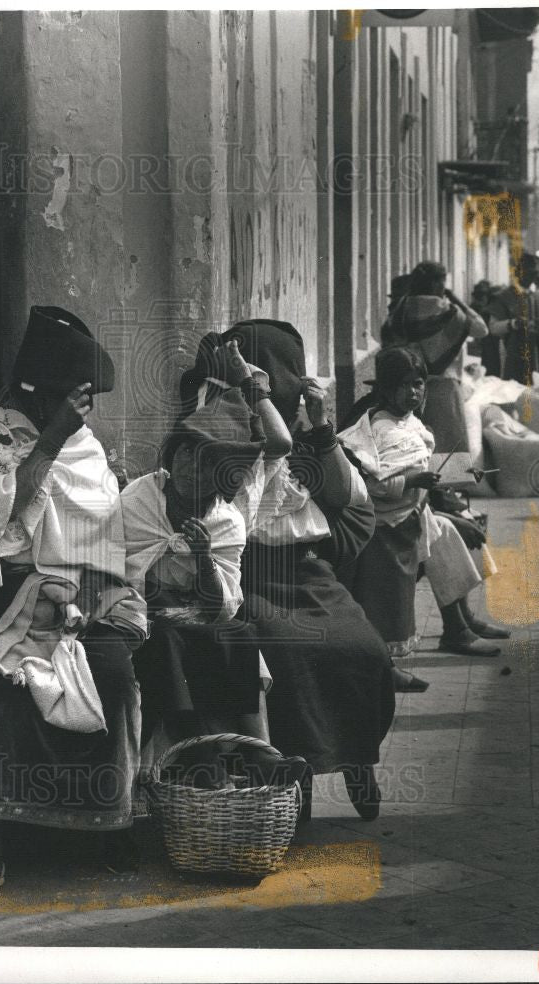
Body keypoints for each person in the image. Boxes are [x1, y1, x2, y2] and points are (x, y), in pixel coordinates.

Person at [0, 306, 148, 905]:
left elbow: (101, 533)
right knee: (10, 684)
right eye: (68, 398)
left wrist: (89, 597)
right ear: (35, 390)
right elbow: (2, 530)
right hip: (7, 592)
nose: (77, 412)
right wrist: (50, 440)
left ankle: (106, 827)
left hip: (87, 592)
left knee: (112, 676)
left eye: (82, 402)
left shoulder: (86, 444)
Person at [181, 320, 400, 822]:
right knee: (285, 654)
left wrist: (322, 426)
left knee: (362, 648)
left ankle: (356, 758)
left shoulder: (308, 440)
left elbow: (345, 497)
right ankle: (293, 777)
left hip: (308, 573)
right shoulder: (226, 433)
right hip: (249, 576)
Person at [122, 339, 292, 747]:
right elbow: (119, 572)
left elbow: (220, 608)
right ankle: (180, 749)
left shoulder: (225, 520)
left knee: (239, 636)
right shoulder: (139, 501)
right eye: (185, 454)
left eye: (206, 464)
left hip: (199, 614)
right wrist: (155, 602)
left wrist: (202, 562)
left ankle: (258, 753)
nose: (189, 468)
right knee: (165, 642)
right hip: (141, 614)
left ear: (224, 478)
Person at [339, 347, 509, 661]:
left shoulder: (410, 421)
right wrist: (417, 484)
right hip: (384, 526)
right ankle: (456, 628)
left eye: (419, 384)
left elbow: (423, 471)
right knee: (444, 534)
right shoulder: (381, 429)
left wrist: (456, 487)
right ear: (386, 389)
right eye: (405, 385)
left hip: (411, 512)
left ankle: (462, 620)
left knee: (450, 534)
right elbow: (376, 485)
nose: (413, 392)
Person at [388, 260, 489, 456]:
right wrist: (457, 299)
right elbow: (481, 329)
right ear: (436, 284)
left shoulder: (402, 308)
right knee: (448, 450)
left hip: (410, 388)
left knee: (417, 446)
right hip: (444, 387)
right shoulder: (448, 310)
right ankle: (447, 485)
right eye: (443, 282)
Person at [487, 252, 539, 382]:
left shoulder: (538, 297)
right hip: (512, 355)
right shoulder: (504, 296)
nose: (532, 277)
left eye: (534, 273)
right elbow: (493, 328)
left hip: (536, 355)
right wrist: (514, 323)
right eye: (529, 272)